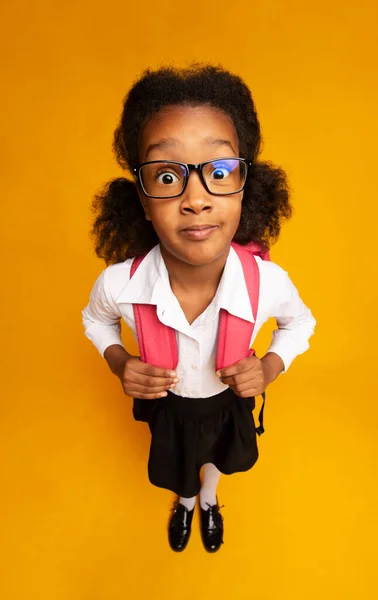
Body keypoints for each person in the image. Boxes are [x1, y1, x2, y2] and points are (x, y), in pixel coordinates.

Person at [81, 64, 316, 553]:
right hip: (169, 408)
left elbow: (300, 323)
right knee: (180, 464)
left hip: (225, 404)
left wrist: (269, 367)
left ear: (245, 187)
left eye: (219, 171)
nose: (195, 199)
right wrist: (119, 360)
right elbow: (94, 318)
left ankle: (208, 501)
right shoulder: (120, 284)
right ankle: (185, 502)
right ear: (143, 201)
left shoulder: (265, 284)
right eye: (167, 175)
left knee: (214, 463)